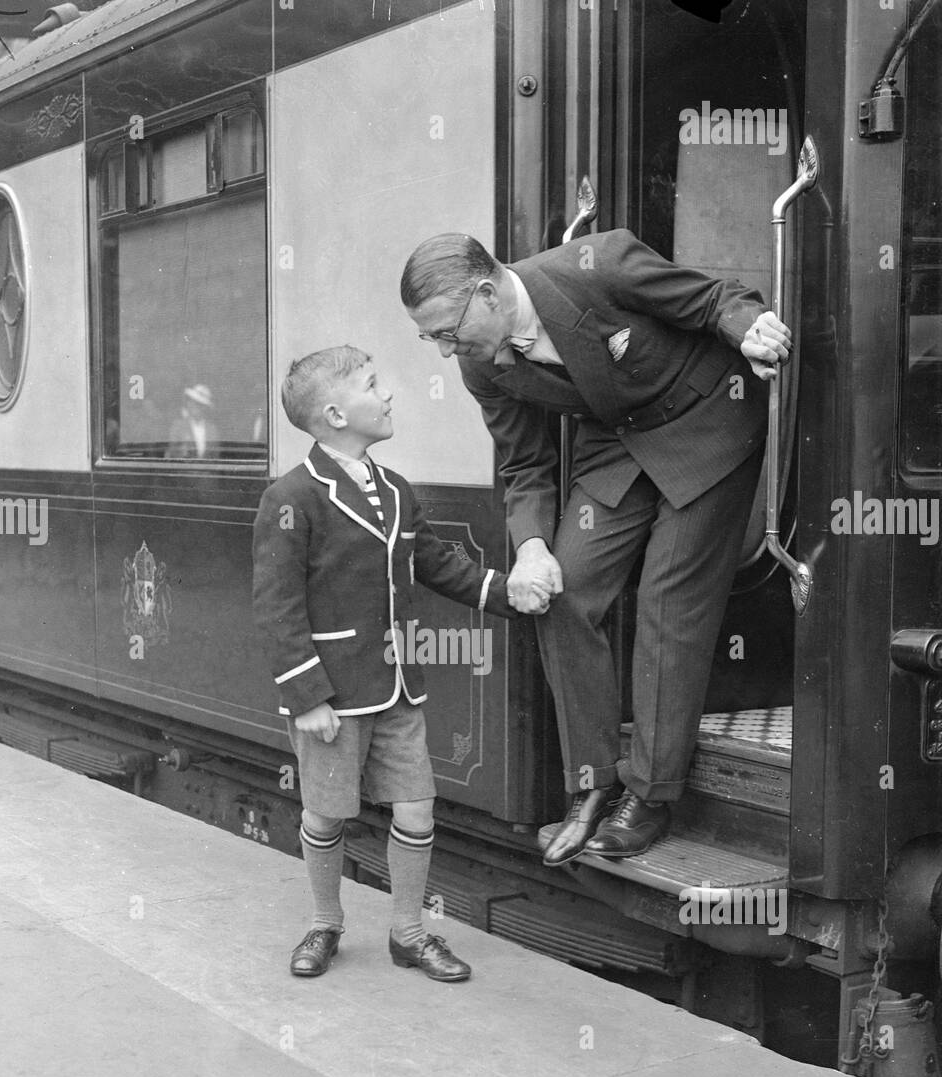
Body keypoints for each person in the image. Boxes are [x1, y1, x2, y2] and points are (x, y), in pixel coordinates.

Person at [401, 229, 790, 864]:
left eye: (447, 331)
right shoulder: (482, 365)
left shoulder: (598, 262)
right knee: (561, 596)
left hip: (707, 422)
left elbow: (715, 298)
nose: (446, 352)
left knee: (670, 598)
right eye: (432, 339)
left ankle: (651, 795)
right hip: (616, 444)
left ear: (487, 293)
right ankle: (592, 783)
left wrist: (749, 329)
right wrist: (530, 546)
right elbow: (525, 464)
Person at [252, 346, 521, 982]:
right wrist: (307, 696)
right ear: (336, 412)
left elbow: (434, 562)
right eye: (375, 385)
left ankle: (408, 933)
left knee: (416, 809)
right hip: (334, 696)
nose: (390, 395)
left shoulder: (395, 489)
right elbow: (276, 605)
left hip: (398, 687)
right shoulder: (291, 497)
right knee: (325, 812)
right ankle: (325, 923)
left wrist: (509, 593)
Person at [166, 383, 221, 459]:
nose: (193, 405)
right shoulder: (178, 427)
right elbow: (172, 454)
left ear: (204, 408)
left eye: (198, 404)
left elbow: (215, 457)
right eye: (192, 402)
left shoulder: (212, 429)